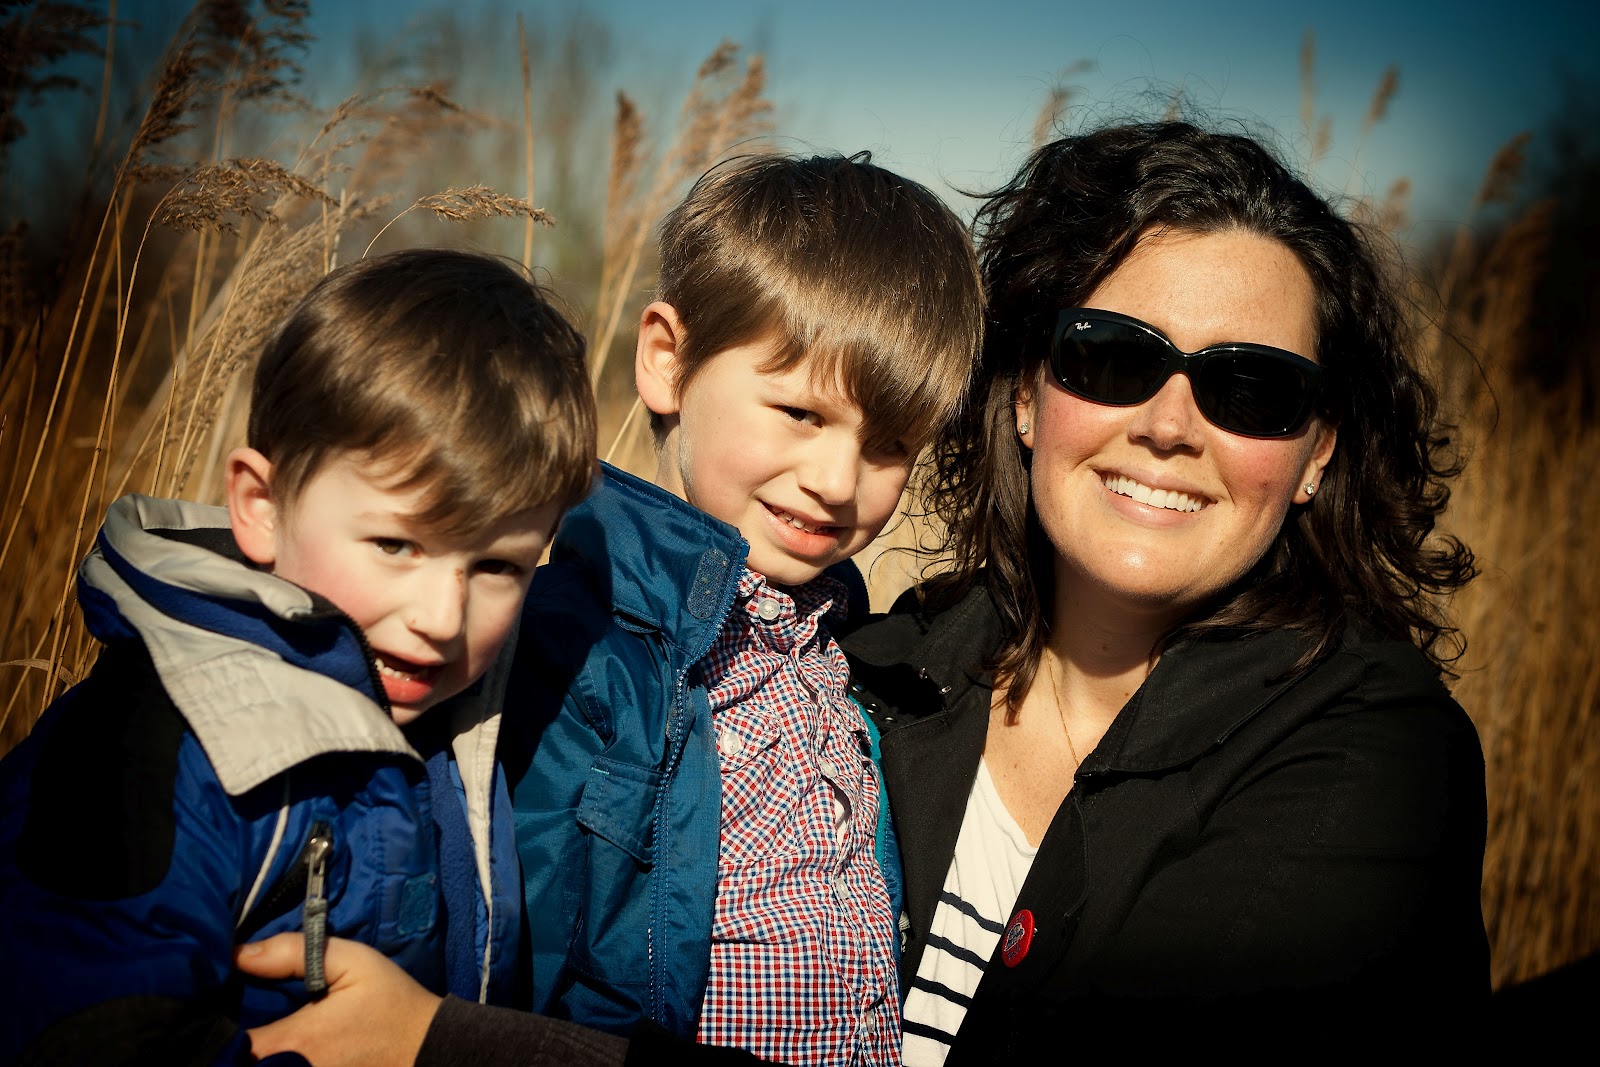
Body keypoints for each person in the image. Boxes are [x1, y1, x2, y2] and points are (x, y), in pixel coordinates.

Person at [240, 151, 984, 1066]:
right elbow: (510, 962)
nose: (837, 480)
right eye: (799, 413)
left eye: (890, 444)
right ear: (668, 361)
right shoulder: (570, 651)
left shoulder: (840, 654)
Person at [837, 120, 1489, 1063]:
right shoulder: (866, 676)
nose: (1170, 425)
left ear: (1318, 453)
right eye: (1113, 356)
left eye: (1252, 387)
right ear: (1025, 394)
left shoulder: (1373, 758)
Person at [0, 248, 596, 1065]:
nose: (441, 618)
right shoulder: (150, 748)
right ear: (262, 505)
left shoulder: (468, 718)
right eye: (395, 544)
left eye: (497, 566)